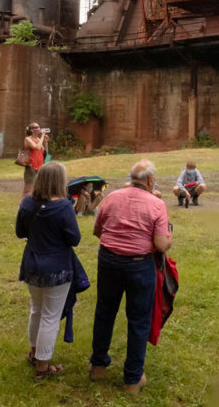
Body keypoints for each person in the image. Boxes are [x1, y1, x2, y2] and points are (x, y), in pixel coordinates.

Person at [89, 159, 173, 394]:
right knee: (138, 320)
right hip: (138, 265)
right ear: (150, 181)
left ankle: (98, 366)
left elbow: (97, 230)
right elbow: (161, 243)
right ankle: (133, 380)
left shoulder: (112, 197)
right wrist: (170, 238)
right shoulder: (157, 204)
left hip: (108, 260)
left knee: (104, 312)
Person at [16, 161, 81, 380]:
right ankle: (42, 367)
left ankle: (34, 354)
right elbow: (74, 238)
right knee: (50, 317)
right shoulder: (63, 207)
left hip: (32, 264)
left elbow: (19, 231)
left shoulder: (27, 203)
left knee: (36, 309)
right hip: (57, 268)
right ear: (59, 181)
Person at [22, 122, 49, 198]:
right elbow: (36, 147)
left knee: (37, 189)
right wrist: (42, 136)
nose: (39, 129)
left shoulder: (38, 139)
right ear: (31, 130)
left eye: (39, 127)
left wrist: (45, 142)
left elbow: (44, 153)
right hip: (31, 167)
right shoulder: (27, 139)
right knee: (27, 190)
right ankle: (21, 207)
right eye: (36, 127)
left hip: (40, 167)